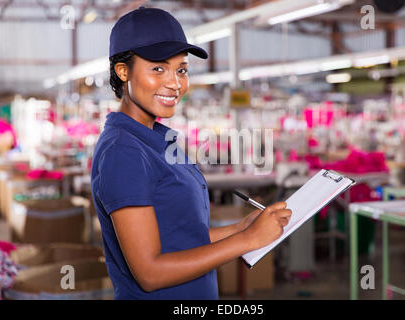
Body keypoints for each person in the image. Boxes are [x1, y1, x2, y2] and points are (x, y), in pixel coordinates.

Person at [91, 7, 292, 300]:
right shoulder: (124, 151)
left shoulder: (156, 139)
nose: (175, 83)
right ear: (123, 71)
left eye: (181, 69)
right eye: (158, 68)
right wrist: (248, 240)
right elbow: (150, 273)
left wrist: (239, 229)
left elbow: (178, 240)